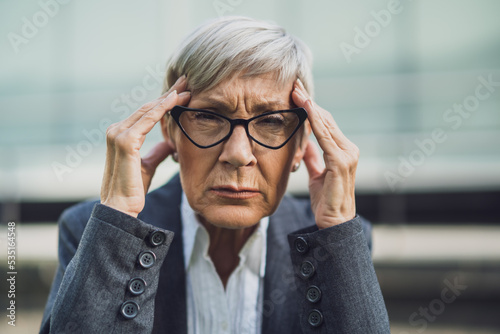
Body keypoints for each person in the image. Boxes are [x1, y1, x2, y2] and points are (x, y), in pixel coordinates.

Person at [40, 16, 390, 333]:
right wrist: (116, 221)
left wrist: (338, 231)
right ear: (170, 132)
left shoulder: (336, 241)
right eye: (208, 117)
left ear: (300, 143)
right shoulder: (92, 231)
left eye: (271, 121)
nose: (238, 155)